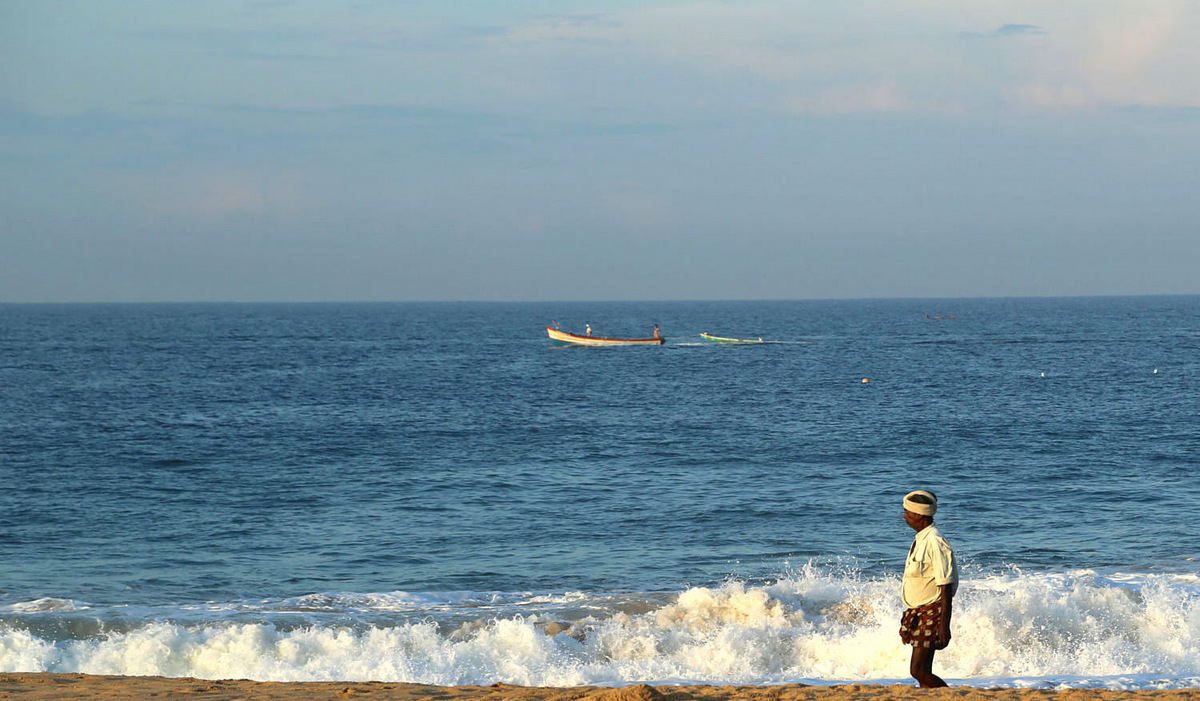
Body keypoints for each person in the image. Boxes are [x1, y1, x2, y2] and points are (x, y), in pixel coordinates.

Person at [900, 489, 958, 688]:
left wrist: (944, 625)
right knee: (923, 670)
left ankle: (949, 696)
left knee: (918, 670)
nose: (905, 516)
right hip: (919, 612)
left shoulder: (934, 541)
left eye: (908, 512)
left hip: (932, 611)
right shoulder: (921, 538)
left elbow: (946, 584)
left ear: (919, 515)